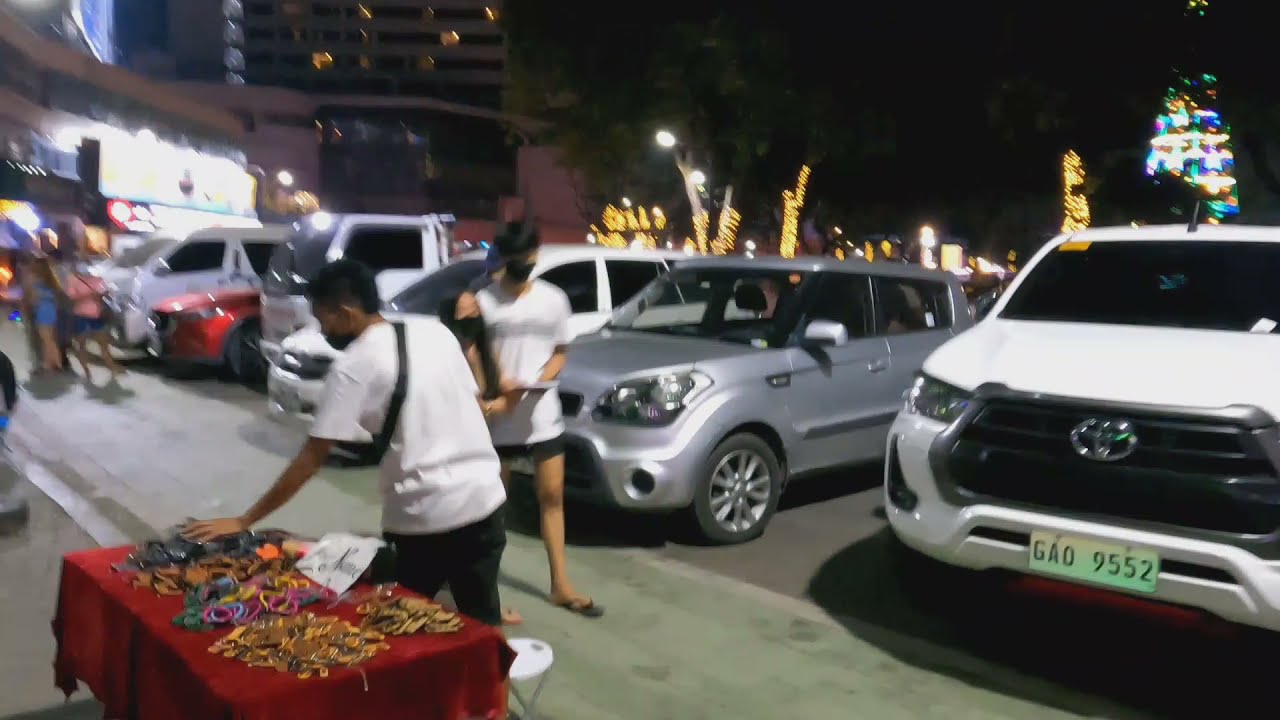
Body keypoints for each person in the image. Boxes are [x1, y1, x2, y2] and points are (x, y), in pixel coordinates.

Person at [185, 259, 510, 627]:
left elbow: (312, 457)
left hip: (425, 516)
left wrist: (245, 519)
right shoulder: (437, 333)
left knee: (399, 623)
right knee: (482, 621)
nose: (323, 330)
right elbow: (474, 403)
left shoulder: (353, 366)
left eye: (324, 319)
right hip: (486, 502)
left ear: (346, 311)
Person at [476, 222, 603, 618]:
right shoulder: (484, 300)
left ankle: (560, 585)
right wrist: (499, 386)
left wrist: (537, 381)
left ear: (535, 255)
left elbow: (560, 352)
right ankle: (484, 592)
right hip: (498, 416)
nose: (521, 265)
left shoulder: (553, 299)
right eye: (514, 259)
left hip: (542, 415)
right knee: (491, 507)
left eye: (527, 258)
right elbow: (476, 353)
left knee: (552, 497)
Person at [64, 265, 124, 383]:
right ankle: (88, 371)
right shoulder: (76, 281)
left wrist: (101, 295)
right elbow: (71, 299)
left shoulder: (95, 280)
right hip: (83, 316)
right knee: (84, 345)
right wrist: (89, 296)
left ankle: (109, 368)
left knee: (101, 344)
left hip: (93, 316)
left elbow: (106, 294)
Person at [29, 254, 66, 374]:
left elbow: (33, 299)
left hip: (42, 311)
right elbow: (57, 297)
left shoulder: (35, 280)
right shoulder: (52, 280)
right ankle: (51, 363)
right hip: (51, 310)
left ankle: (54, 364)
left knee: (46, 339)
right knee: (50, 339)